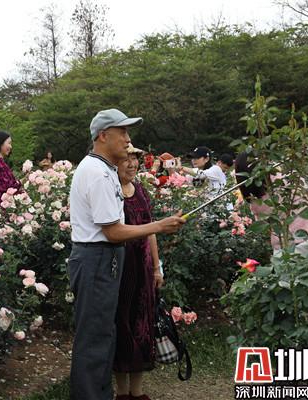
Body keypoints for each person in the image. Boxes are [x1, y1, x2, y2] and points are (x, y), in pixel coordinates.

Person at [68, 108, 186, 400]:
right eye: (122, 132)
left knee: (102, 337)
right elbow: (112, 231)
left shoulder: (104, 169)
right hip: (96, 259)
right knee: (94, 341)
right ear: (103, 136)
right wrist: (159, 226)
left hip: (101, 259)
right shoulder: (97, 173)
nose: (127, 139)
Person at [114, 144, 163, 400]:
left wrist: (156, 267)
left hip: (143, 268)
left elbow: (150, 229)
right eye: (127, 159)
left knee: (142, 324)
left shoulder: (140, 190)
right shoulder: (111, 191)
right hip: (121, 269)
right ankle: (122, 392)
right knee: (122, 324)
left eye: (135, 159)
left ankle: (138, 391)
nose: (132, 164)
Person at [0, 131, 22, 199]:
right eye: (9, 143)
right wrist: (23, 180)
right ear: (0, 143)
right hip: (6, 201)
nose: (11, 147)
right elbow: (8, 188)